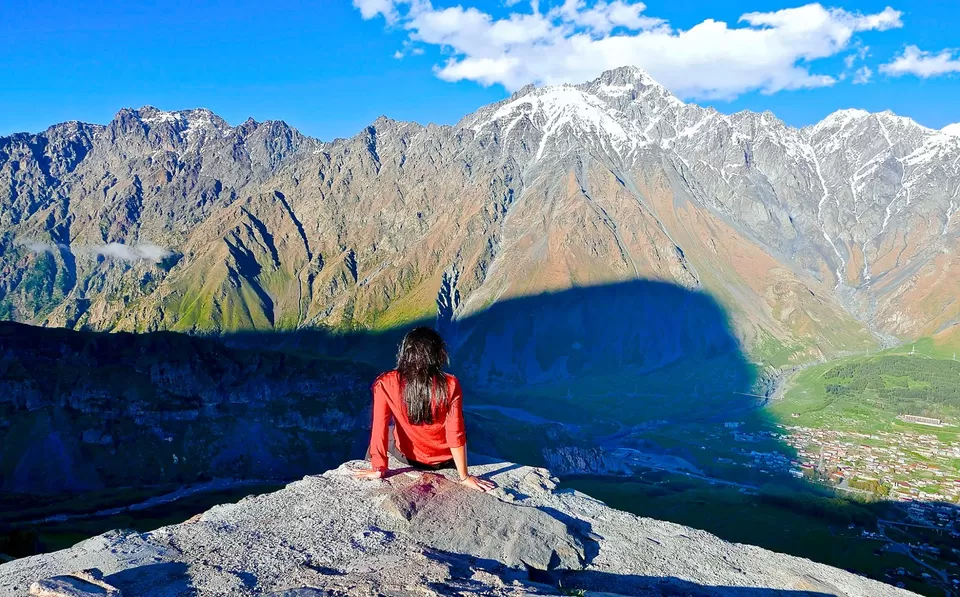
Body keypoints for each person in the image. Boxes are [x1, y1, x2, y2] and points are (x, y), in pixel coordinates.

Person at [353, 326, 495, 492]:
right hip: (444, 462)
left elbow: (379, 427)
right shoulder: (450, 384)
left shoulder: (385, 382)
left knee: (387, 433)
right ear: (436, 354)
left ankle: (374, 468)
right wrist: (464, 476)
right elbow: (455, 433)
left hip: (408, 458)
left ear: (405, 353)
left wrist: (378, 468)